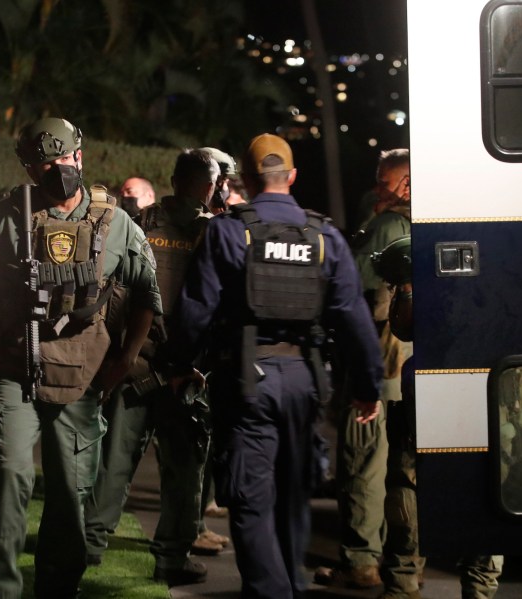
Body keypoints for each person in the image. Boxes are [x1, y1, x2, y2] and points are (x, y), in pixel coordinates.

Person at [0, 117, 162, 599]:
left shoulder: (115, 222)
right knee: (7, 478)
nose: (57, 169)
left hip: (80, 376)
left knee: (71, 493)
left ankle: (59, 588)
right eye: (45, 164)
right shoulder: (2, 218)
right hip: (11, 368)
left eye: (64, 159)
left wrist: (125, 357)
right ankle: (2, 588)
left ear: (79, 157)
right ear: (28, 167)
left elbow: (148, 292)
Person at [159, 133, 383, 598]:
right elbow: (354, 318)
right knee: (293, 497)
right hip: (305, 383)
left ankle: (270, 592)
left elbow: (196, 308)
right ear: (293, 176)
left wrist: (179, 364)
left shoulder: (228, 231)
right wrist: (367, 388)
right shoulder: (324, 237)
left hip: (247, 382)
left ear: (246, 178)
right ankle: (285, 588)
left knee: (249, 497)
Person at [83, 149, 226, 584]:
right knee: (183, 469)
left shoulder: (139, 223)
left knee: (115, 461)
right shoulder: (215, 232)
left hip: (136, 364)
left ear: (174, 178)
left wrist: (120, 355)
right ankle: (172, 557)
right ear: (209, 186)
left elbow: (110, 290)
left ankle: (89, 545)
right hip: (186, 372)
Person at [373, 236, 503, 599]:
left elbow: (404, 324)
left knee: (416, 499)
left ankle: (407, 587)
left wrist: (410, 292)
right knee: (413, 503)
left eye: (401, 291)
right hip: (466, 405)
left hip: (466, 408)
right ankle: (405, 587)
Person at [321, 148, 412, 589]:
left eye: (385, 180)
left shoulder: (388, 227)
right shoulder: (425, 224)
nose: (377, 187)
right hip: (409, 368)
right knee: (400, 469)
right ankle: (400, 565)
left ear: (406, 185)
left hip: (378, 367)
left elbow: (350, 290)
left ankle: (360, 560)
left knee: (361, 462)